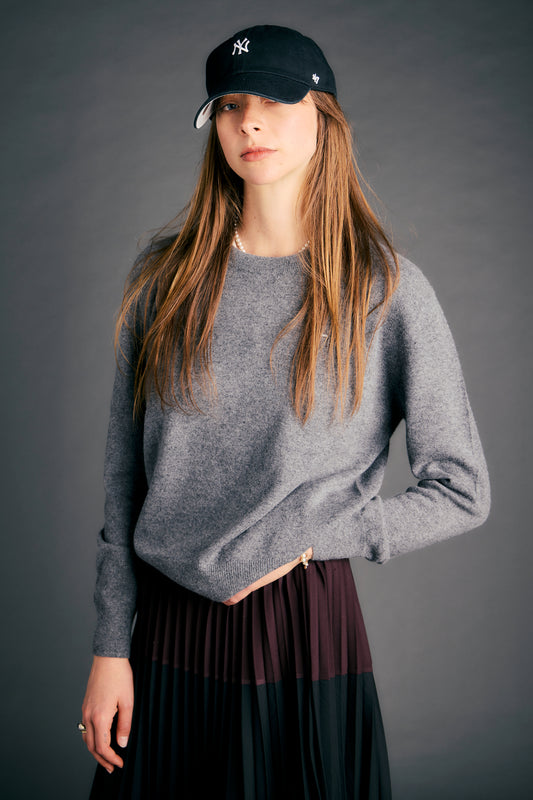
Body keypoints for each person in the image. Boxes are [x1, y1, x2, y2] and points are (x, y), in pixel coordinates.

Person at [79, 24, 491, 799]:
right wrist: (109, 648)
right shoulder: (165, 279)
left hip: (300, 626)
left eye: (273, 101)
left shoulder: (383, 289)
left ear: (324, 118)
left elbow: (462, 490)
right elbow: (124, 482)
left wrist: (312, 535)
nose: (249, 123)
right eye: (230, 106)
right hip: (166, 623)